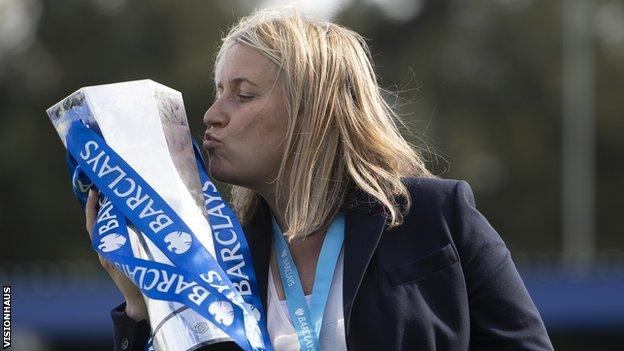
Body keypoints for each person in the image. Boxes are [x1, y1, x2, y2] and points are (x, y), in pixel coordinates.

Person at [85, 7, 554, 351]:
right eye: (218, 93)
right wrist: (140, 306)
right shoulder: (218, 258)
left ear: (314, 112)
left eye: (243, 95)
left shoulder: (436, 217)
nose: (211, 115)